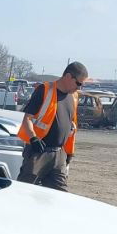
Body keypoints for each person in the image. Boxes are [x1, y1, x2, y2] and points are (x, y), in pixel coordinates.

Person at [16, 62, 88, 191]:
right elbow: (27, 118)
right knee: (24, 191)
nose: (79, 88)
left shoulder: (74, 96)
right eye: (78, 83)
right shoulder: (45, 90)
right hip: (38, 152)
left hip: (59, 154)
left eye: (82, 85)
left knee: (59, 195)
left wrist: (69, 153)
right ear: (68, 76)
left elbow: (72, 127)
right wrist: (33, 139)